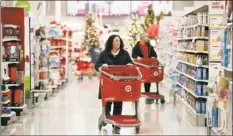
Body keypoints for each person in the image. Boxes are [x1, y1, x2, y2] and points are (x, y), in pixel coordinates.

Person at [95, 34, 133, 134]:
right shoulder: (104, 53)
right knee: (107, 104)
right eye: (116, 41)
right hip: (107, 83)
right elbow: (96, 65)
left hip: (120, 84)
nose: (118, 43)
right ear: (111, 42)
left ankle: (116, 126)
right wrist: (102, 66)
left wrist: (129, 65)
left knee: (118, 104)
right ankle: (104, 117)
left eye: (119, 41)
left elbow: (130, 63)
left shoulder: (124, 54)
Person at [132, 32, 158, 104]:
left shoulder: (150, 46)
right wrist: (137, 57)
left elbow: (154, 54)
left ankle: (148, 97)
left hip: (148, 67)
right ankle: (135, 96)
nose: (148, 38)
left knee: (147, 81)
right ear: (142, 38)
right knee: (138, 82)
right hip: (140, 67)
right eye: (146, 37)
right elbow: (133, 55)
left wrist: (153, 56)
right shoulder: (136, 47)